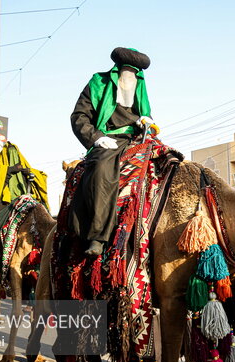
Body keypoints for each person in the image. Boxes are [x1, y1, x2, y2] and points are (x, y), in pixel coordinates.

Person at [68, 47, 155, 257]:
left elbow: (143, 113)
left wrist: (145, 121)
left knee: (168, 161)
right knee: (100, 169)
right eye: (126, 72)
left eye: (134, 74)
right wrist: (96, 138)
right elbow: (79, 116)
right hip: (107, 138)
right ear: (117, 71)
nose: (130, 78)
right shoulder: (98, 83)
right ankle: (96, 236)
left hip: (135, 137)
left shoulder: (140, 88)